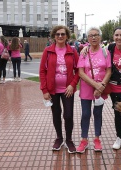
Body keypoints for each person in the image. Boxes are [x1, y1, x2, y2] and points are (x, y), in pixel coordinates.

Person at [39, 25, 79, 153]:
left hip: (68, 89)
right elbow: (42, 71)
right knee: (56, 114)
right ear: (54, 36)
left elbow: (79, 70)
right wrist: (44, 90)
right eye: (57, 34)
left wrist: (72, 84)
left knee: (68, 115)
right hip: (52, 90)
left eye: (62, 34)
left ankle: (69, 140)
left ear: (67, 36)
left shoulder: (72, 51)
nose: (60, 36)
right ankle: (59, 138)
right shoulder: (48, 51)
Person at [76, 27, 111, 153]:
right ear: (88, 38)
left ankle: (97, 139)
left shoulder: (105, 52)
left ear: (100, 37)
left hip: (100, 89)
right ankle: (84, 140)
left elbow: (109, 70)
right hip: (86, 89)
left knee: (98, 114)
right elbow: (80, 72)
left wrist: (101, 85)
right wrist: (95, 85)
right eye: (91, 35)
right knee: (85, 114)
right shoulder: (83, 53)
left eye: (96, 35)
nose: (94, 37)